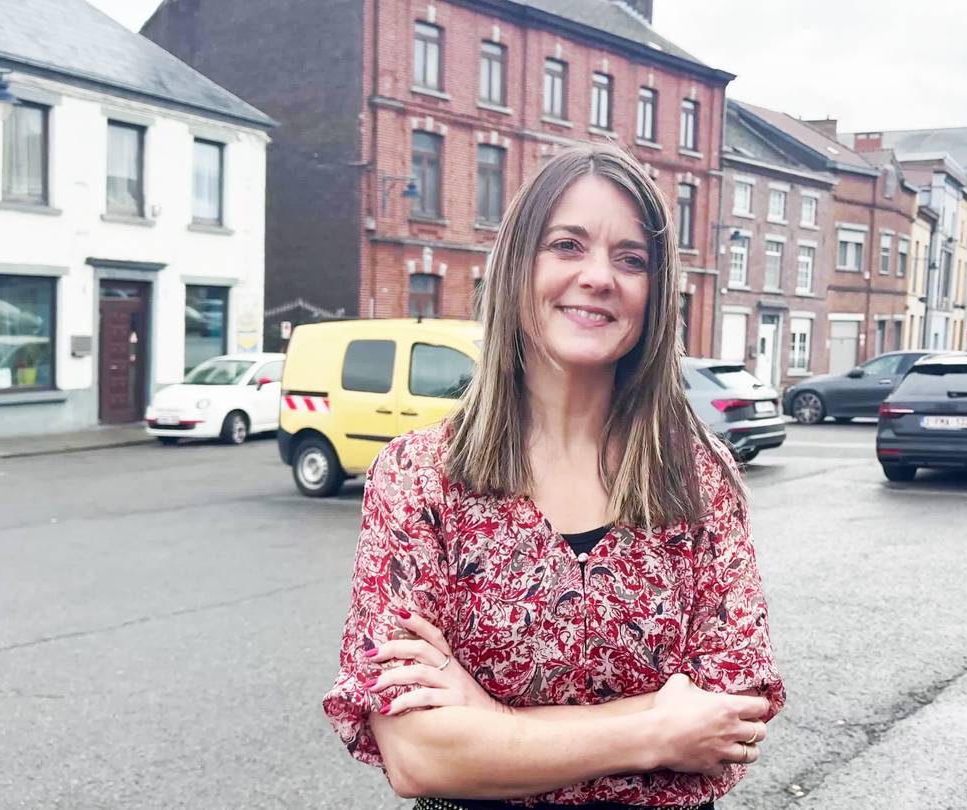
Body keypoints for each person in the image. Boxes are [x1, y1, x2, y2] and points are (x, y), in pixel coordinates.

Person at [322, 143, 785, 809]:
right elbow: (419, 754)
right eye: (567, 245)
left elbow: (731, 718)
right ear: (518, 265)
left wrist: (495, 725)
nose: (599, 277)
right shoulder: (420, 476)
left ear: (656, 294)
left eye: (632, 259)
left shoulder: (696, 475)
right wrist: (659, 732)